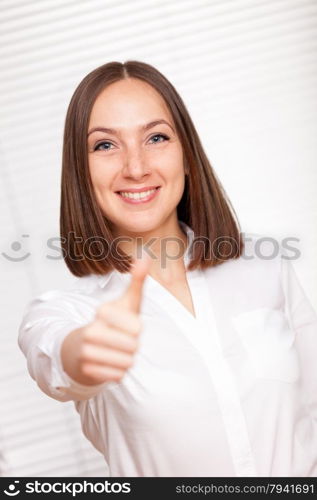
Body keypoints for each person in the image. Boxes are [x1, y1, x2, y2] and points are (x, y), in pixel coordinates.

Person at [18, 61, 317, 477]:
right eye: (105, 145)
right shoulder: (68, 315)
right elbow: (56, 361)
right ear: (81, 174)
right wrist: (84, 355)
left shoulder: (265, 269)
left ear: (188, 156)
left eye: (156, 137)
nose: (136, 167)